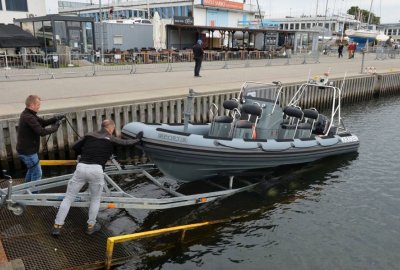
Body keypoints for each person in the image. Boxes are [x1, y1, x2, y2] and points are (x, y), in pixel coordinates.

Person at [51, 119, 143, 237]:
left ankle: (57, 227)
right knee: (95, 199)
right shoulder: (110, 138)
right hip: (96, 170)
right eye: (113, 130)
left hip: (81, 167)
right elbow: (126, 144)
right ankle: (90, 227)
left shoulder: (89, 135)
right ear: (111, 129)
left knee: (68, 198)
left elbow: (74, 146)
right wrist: (138, 139)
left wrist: (84, 152)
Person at [16, 95, 64, 183]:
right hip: (28, 152)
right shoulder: (29, 117)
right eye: (38, 104)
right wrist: (55, 127)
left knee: (31, 171)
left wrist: (55, 119)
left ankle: (26, 192)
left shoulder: (29, 114)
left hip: (26, 151)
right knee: (37, 173)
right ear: (31, 105)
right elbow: (41, 132)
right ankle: (33, 195)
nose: (39, 107)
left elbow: (43, 123)